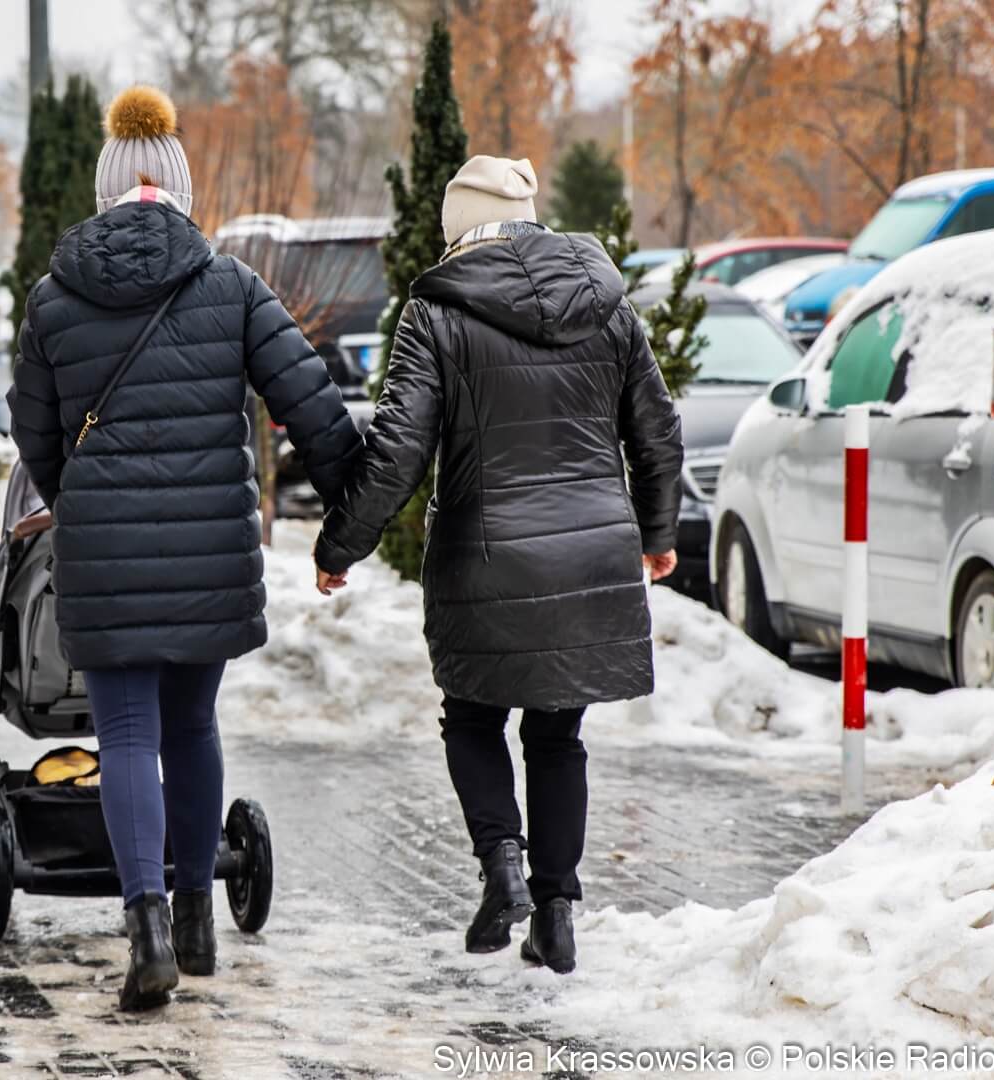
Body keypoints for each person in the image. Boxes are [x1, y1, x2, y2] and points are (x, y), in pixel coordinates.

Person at [8, 85, 361, 1011]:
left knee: (123, 732)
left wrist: (76, 496)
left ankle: (149, 926)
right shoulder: (230, 283)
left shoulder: (53, 299)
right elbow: (312, 403)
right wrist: (351, 516)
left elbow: (34, 435)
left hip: (105, 561)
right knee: (192, 727)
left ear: (106, 188)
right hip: (209, 556)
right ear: (180, 185)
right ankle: (200, 917)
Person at [312, 155, 683, 974]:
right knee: (559, 736)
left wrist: (342, 545)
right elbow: (656, 430)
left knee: (473, 716)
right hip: (592, 552)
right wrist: (657, 533)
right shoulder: (607, 303)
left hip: (486, 555)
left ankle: (503, 866)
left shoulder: (435, 313)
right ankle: (555, 911)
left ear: (456, 228)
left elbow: (399, 448)